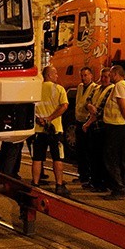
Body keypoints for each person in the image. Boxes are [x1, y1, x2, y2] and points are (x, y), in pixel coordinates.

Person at [101, 65, 125, 200]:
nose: (109, 76)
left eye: (110, 74)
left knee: (112, 158)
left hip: (117, 126)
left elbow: (123, 107)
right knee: (124, 158)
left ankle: (118, 189)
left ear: (116, 74)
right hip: (122, 127)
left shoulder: (119, 86)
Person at [32, 66, 70, 195]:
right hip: (55, 130)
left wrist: (39, 119)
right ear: (49, 75)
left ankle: (35, 183)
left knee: (37, 159)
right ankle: (59, 185)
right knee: (57, 158)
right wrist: (50, 118)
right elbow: (64, 106)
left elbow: (30, 107)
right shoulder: (59, 89)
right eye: (55, 73)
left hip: (39, 130)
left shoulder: (36, 89)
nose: (57, 76)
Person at [83, 67, 113, 191]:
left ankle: (101, 184)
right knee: (93, 156)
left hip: (101, 128)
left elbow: (100, 111)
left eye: (106, 77)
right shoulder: (97, 88)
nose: (103, 79)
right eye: (102, 76)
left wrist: (88, 122)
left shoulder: (111, 90)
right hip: (93, 128)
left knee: (101, 158)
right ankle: (93, 181)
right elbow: (87, 101)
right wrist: (89, 106)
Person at [72, 67, 98, 186]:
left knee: (88, 151)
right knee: (80, 151)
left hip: (87, 124)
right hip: (79, 121)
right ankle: (82, 176)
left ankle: (88, 177)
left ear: (91, 75)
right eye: (82, 75)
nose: (83, 78)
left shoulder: (95, 88)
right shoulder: (80, 87)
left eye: (86, 75)